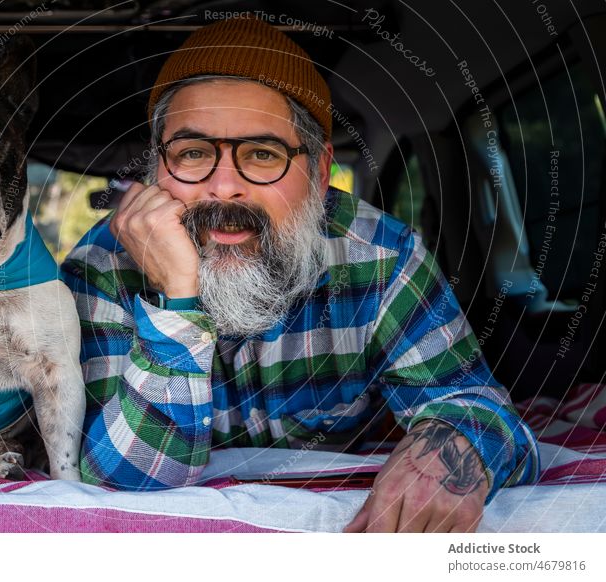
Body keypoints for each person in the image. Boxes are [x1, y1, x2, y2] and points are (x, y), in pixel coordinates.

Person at [61, 16, 539, 533]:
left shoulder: (379, 257)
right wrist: (178, 301)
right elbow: (116, 491)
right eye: (193, 153)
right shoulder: (104, 266)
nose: (224, 188)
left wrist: (451, 447)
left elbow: (477, 408)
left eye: (263, 155)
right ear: (157, 170)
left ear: (318, 170)